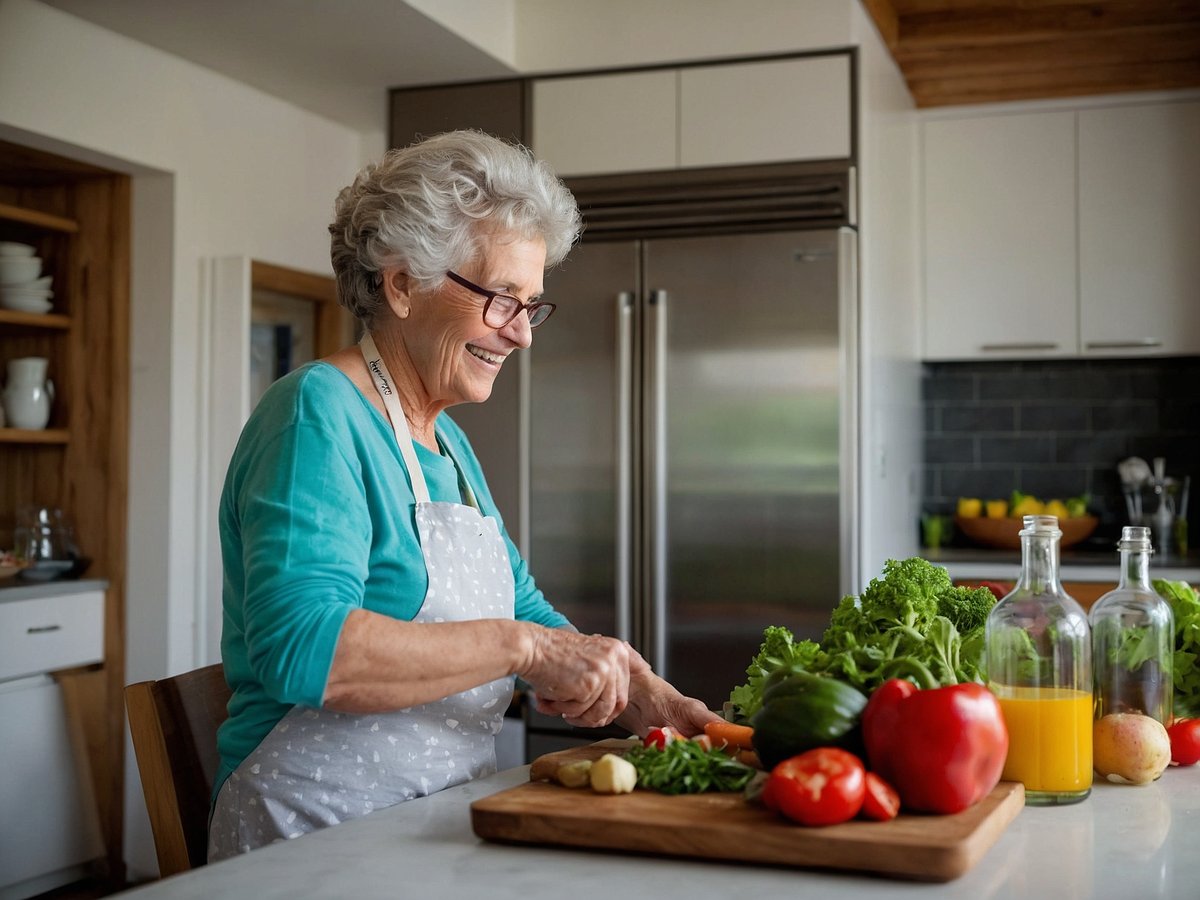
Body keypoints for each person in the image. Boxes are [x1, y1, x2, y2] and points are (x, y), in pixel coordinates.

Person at [208, 130, 719, 861]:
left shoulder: (446, 442)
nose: (521, 335)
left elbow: (521, 608)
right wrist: (527, 650)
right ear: (402, 283)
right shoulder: (315, 414)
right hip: (312, 833)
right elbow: (303, 649)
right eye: (500, 299)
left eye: (532, 305)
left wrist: (650, 699)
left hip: (439, 819)